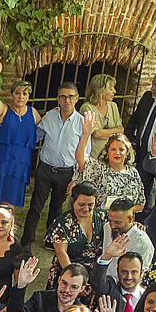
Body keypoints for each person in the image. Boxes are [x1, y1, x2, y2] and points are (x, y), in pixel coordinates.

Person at [28, 80, 93, 244]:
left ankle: (51, 240)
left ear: (77, 98)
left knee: (56, 209)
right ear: (58, 99)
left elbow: (85, 154)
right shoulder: (50, 117)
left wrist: (76, 179)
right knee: (35, 206)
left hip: (66, 173)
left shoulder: (82, 123)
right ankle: (27, 241)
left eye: (70, 97)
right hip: (45, 169)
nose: (67, 100)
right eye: (63, 97)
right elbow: (35, 137)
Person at [0, 58, 36, 210]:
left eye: (24, 93)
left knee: (12, 198)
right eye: (17, 93)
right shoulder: (4, 111)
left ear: (28, 96)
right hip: (2, 161)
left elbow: (45, 128)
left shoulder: (33, 113)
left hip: (21, 162)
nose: (21, 96)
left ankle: (9, 223)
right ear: (12, 95)